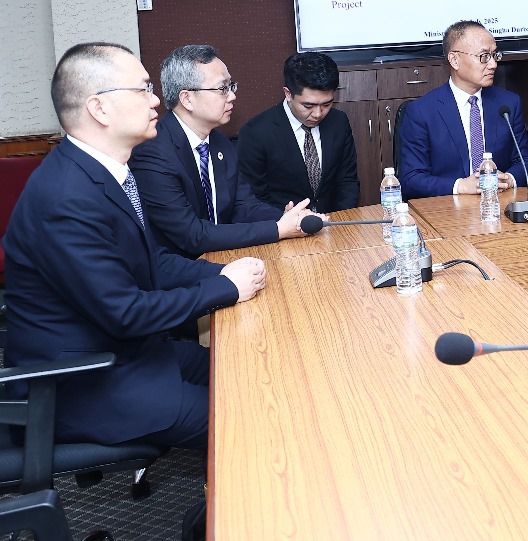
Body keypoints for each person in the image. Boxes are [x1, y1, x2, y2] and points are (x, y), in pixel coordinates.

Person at [2, 43, 266, 448]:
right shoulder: (66, 197)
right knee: (252, 420)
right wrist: (226, 288)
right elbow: (125, 312)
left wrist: (225, 274)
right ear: (100, 108)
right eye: (142, 89)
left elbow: (153, 262)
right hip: (85, 381)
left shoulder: (106, 171)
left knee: (251, 370)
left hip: (131, 353)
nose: (156, 100)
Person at [131, 44, 317, 258]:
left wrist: (286, 217)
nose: (232, 96)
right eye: (222, 89)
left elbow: (243, 206)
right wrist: (277, 229)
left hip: (224, 256)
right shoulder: (152, 152)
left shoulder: (219, 142)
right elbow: (192, 235)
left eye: (231, 86)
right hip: (178, 268)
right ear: (187, 99)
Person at [398, 21, 528, 198]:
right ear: (455, 60)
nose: (493, 64)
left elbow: (526, 163)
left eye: (494, 55)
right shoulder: (422, 112)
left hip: (498, 203)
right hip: (447, 208)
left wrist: (507, 179)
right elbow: (411, 179)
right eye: (484, 56)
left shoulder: (508, 104)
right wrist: (460, 186)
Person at [237, 52, 360, 214]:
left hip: (334, 221)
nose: (318, 114)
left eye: (327, 104)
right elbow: (253, 197)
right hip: (283, 223)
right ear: (288, 94)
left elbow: (347, 181)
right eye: (308, 106)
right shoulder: (256, 133)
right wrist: (284, 218)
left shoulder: (339, 122)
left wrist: (343, 219)